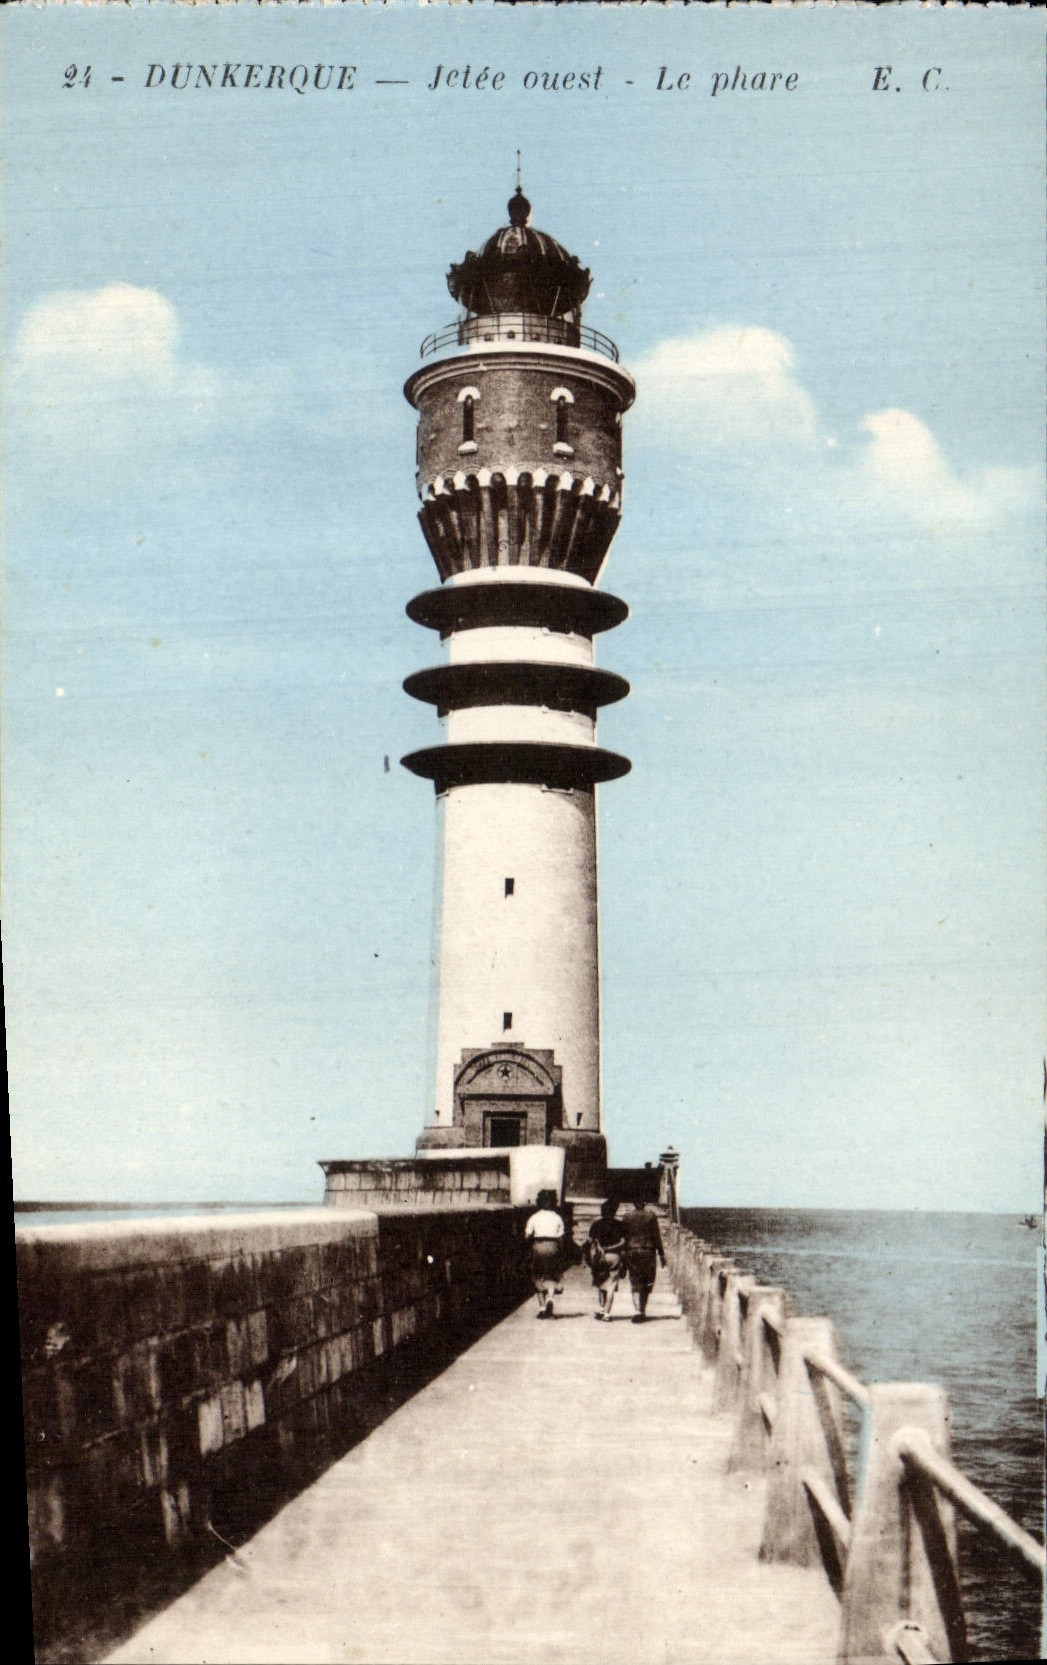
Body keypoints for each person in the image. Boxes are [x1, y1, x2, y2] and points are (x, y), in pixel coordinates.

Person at [621, 1199, 666, 1322]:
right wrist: (661, 1254)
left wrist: (622, 1255)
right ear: (645, 1203)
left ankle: (637, 1310)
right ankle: (642, 1310)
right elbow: (656, 1236)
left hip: (632, 1250)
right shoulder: (651, 1216)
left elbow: (624, 1237)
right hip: (648, 1251)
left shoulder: (627, 1217)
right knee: (647, 1281)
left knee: (635, 1280)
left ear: (633, 1203)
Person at [523, 1188, 566, 1318]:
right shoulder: (557, 1217)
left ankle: (542, 1308)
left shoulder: (534, 1217)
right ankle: (550, 1298)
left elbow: (527, 1236)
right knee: (552, 1274)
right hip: (553, 1246)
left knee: (537, 1275)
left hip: (538, 1246)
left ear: (539, 1202)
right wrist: (560, 1251)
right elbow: (561, 1238)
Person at [585, 1198, 626, 1321]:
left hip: (600, 1256)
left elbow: (590, 1241)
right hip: (615, 1256)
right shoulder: (620, 1225)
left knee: (601, 1281)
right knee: (611, 1285)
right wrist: (612, 1248)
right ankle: (607, 1313)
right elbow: (623, 1242)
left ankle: (602, 1308)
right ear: (614, 1211)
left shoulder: (596, 1224)